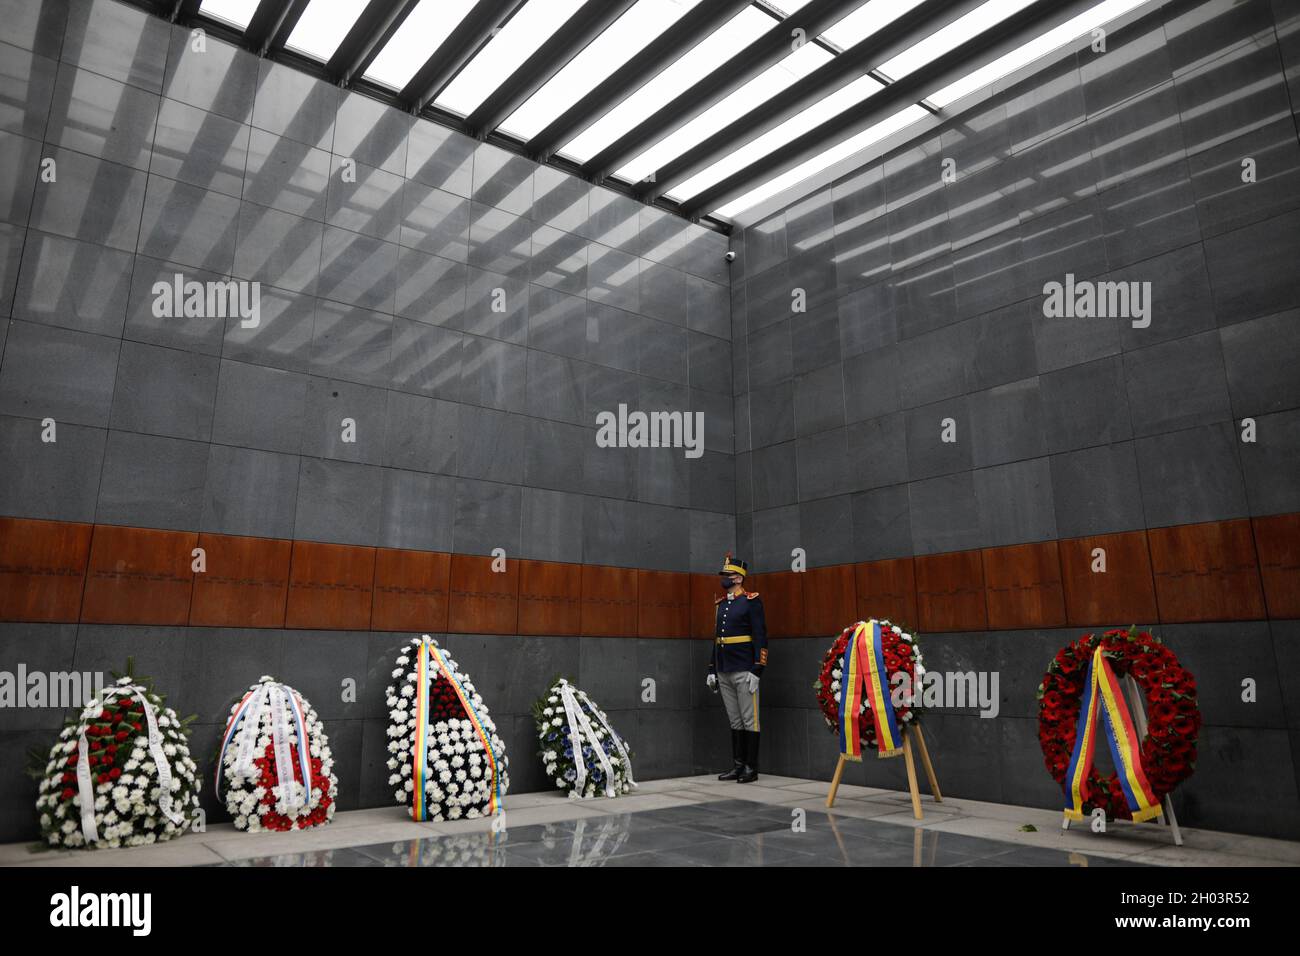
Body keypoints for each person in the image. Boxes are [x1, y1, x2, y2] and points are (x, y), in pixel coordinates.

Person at [706, 553, 767, 783]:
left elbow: (761, 636)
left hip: (744, 668)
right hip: (724, 669)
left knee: (750, 720)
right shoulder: (720, 605)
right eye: (724, 575)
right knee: (735, 720)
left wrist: (758, 668)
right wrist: (712, 669)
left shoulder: (751, 601)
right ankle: (738, 765)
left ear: (739, 578)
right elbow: (717, 639)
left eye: (729, 575)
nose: (725, 579)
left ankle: (751, 767)